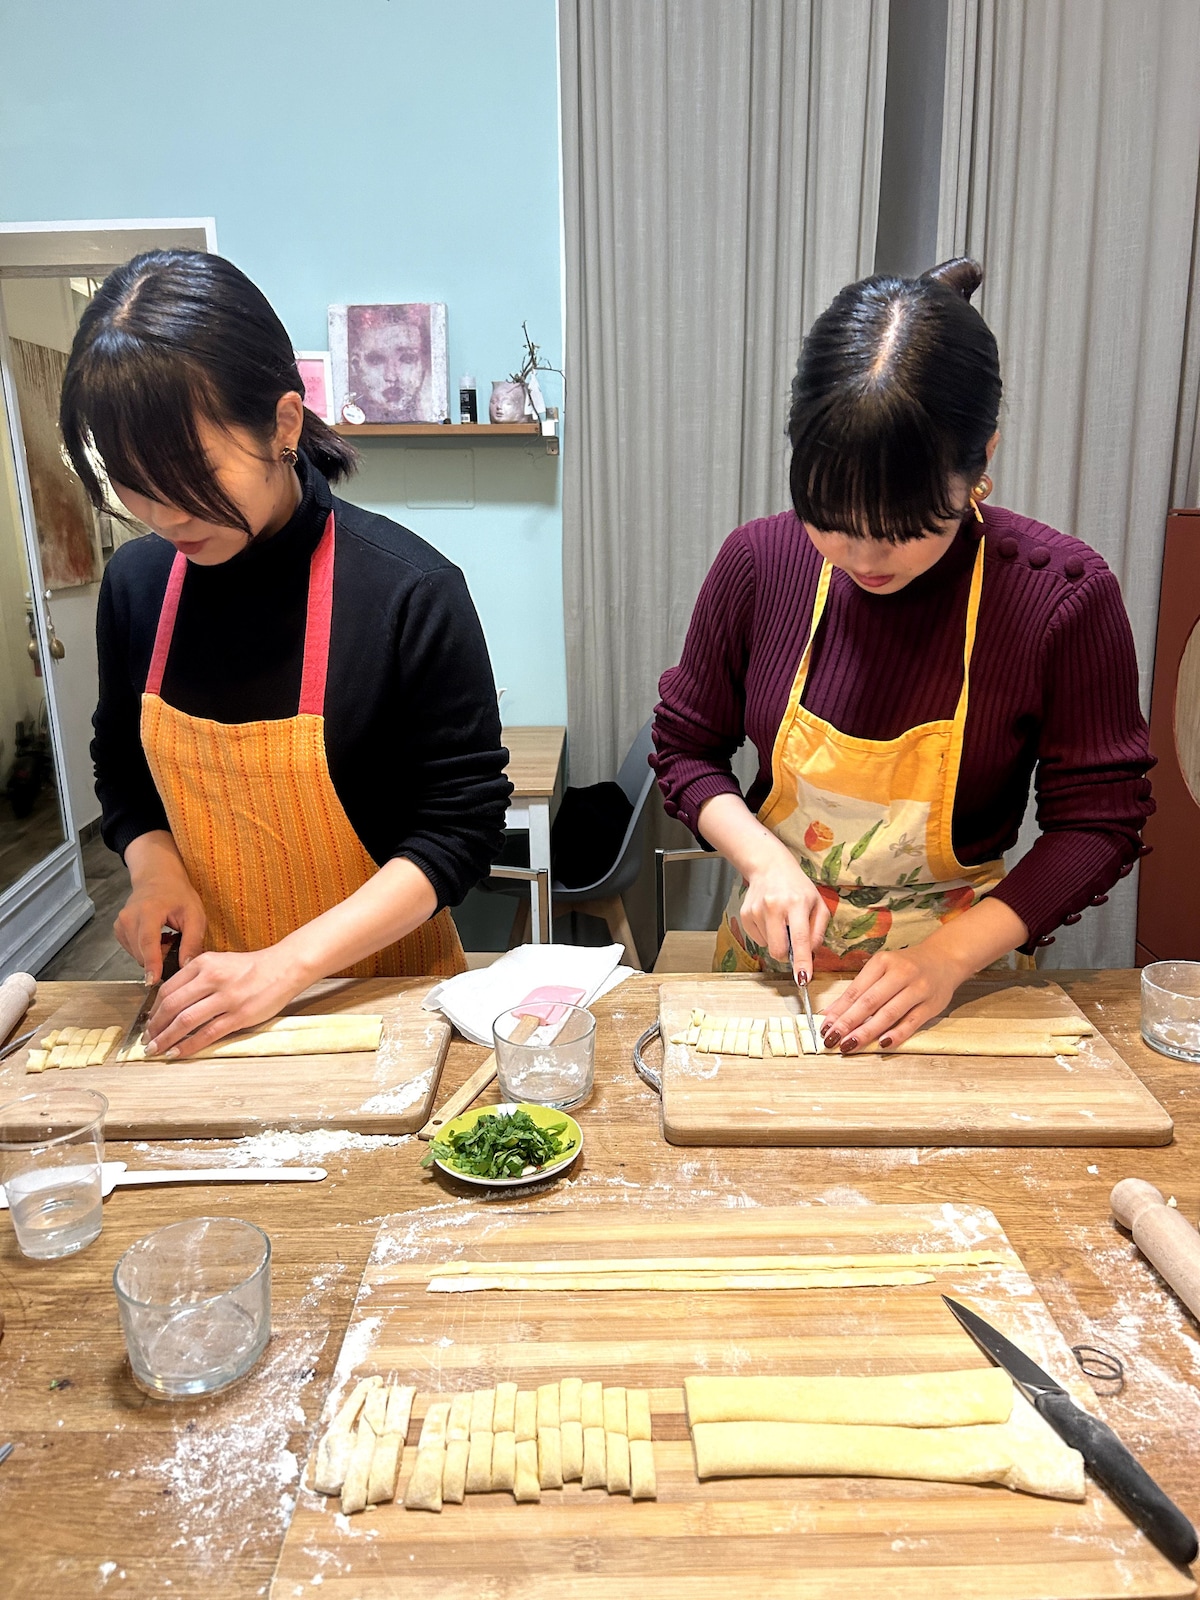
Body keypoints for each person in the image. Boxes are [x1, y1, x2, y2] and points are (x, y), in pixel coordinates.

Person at [652, 258, 1153, 1053]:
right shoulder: (759, 562)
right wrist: (762, 862)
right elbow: (686, 748)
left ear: (980, 463)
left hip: (960, 987)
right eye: (829, 518)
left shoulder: (1060, 596)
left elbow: (1098, 823)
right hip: (773, 977)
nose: (861, 558)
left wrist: (947, 960)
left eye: (903, 529)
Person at [63, 250, 511, 1059]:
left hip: (388, 1008)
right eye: (132, 482)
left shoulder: (409, 593)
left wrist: (284, 967)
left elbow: (460, 829)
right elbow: (121, 768)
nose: (165, 515)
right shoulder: (136, 585)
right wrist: (154, 869)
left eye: (192, 473)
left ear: (283, 424)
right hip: (206, 1008)